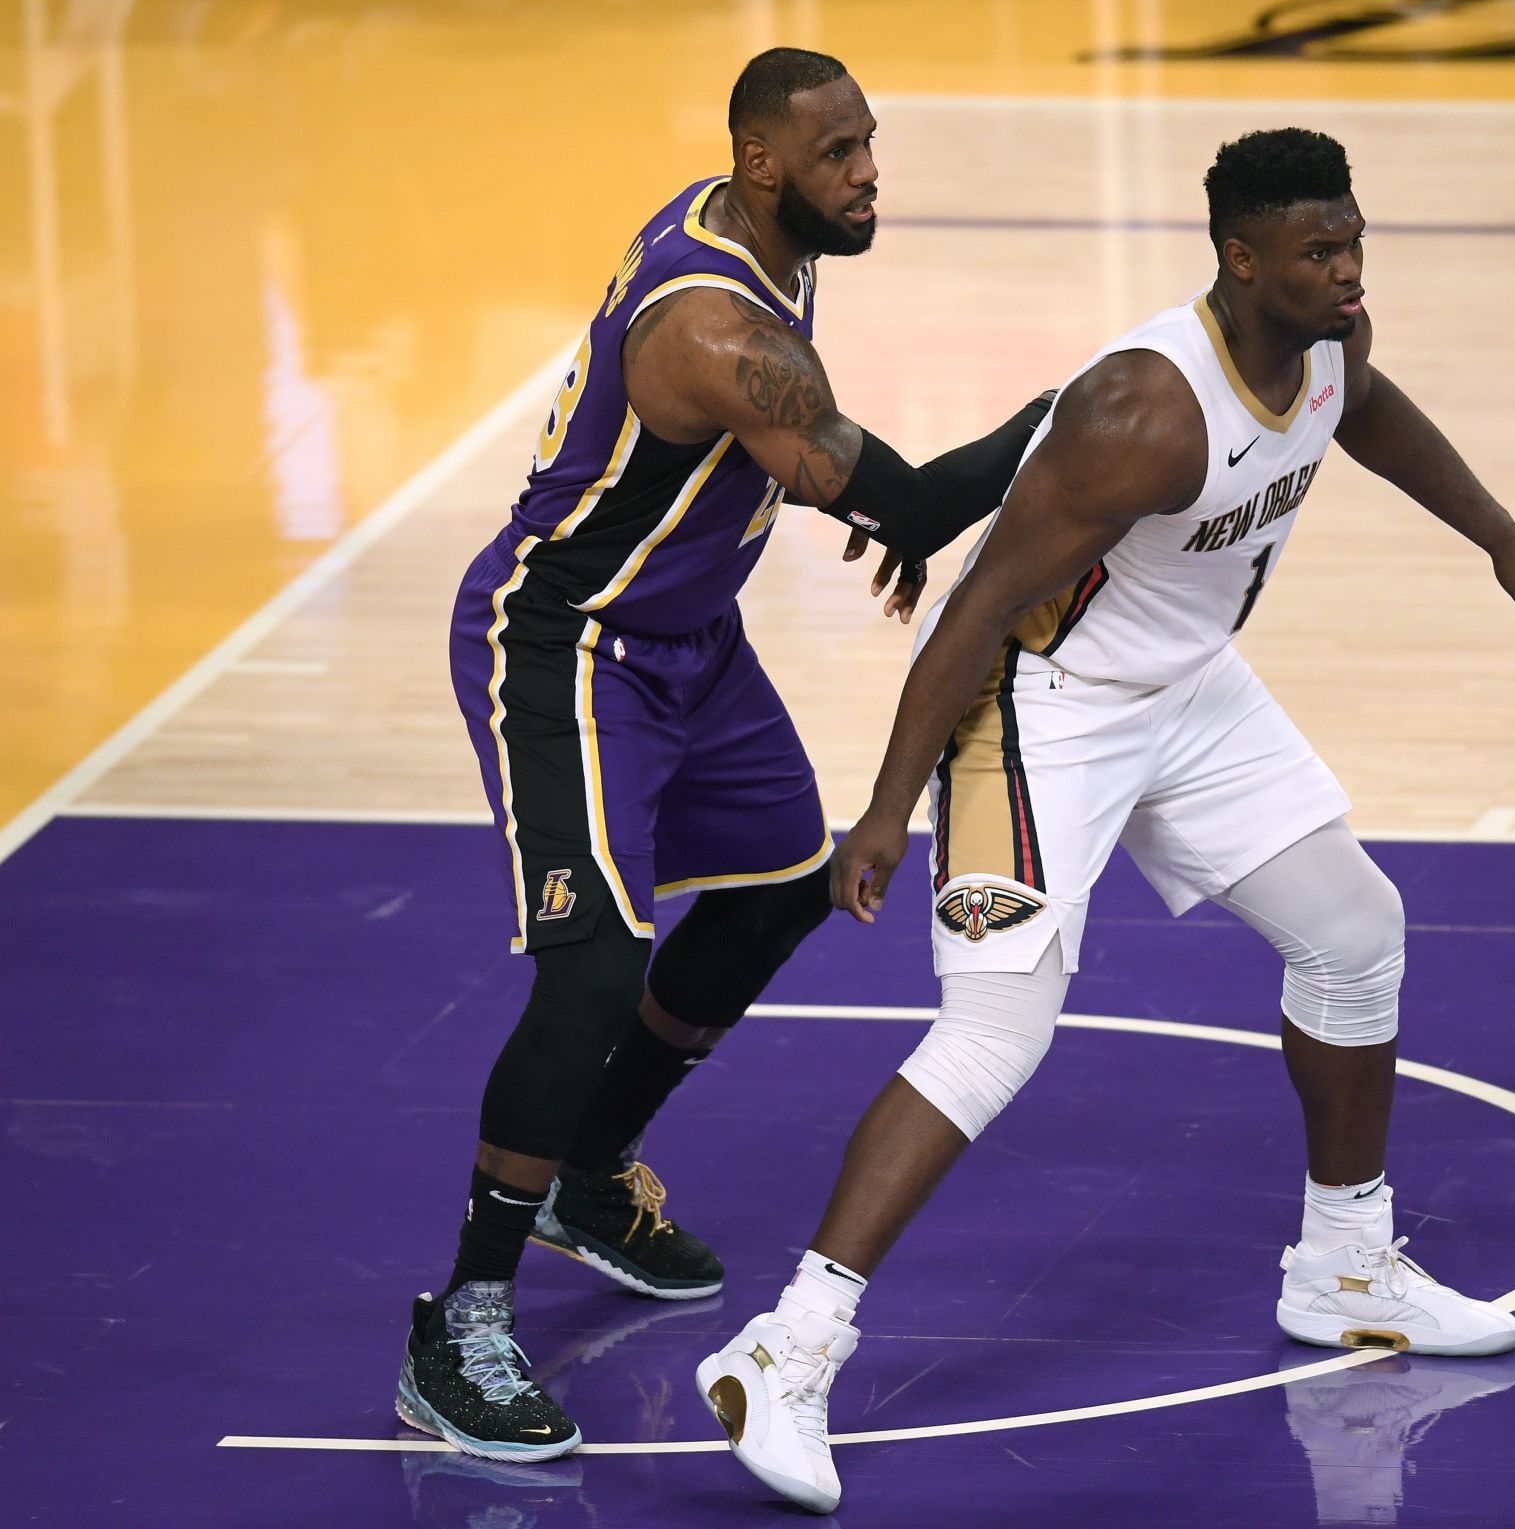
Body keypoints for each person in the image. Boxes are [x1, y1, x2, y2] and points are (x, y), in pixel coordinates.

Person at [698, 126, 1515, 1513]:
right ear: (1240, 261)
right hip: (1040, 711)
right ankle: (789, 1345)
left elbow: (1363, 408)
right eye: (1320, 251)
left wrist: (1499, 533)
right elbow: (974, 609)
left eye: (1356, 239)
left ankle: (1346, 1263)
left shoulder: (1323, 340)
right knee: (998, 1028)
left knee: (1355, 932)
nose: (1349, 269)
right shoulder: (1145, 410)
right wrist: (887, 808)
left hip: (1187, 692)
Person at [398, 46, 1052, 1463]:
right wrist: (1092, 412)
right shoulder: (715, 323)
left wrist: (859, 496)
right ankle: (462, 1322)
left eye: (871, 143)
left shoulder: (766, 235)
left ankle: (585, 1169)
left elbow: (822, 457)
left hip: (695, 637)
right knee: (591, 978)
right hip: (571, 644)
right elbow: (920, 494)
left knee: (774, 891)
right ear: (765, 162)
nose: (870, 171)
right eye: (841, 154)